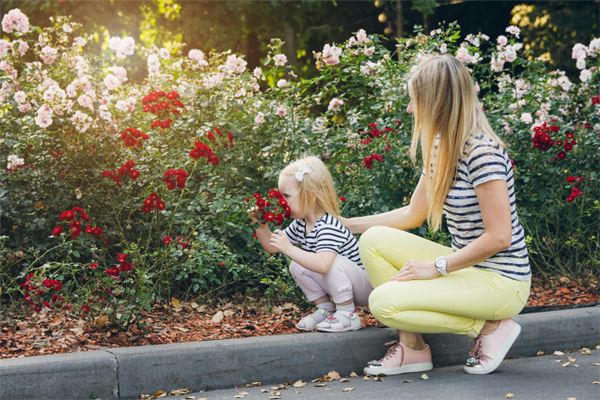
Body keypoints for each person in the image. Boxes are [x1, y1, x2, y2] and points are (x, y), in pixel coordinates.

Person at [342, 55, 531, 375]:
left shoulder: (482, 153)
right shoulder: (441, 147)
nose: (409, 110)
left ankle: (488, 327)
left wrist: (437, 267)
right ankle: (412, 348)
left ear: (437, 103)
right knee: (373, 240)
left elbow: (500, 236)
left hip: (503, 282)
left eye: (415, 101)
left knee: (383, 302)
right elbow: (415, 213)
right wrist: (346, 224)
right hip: (470, 270)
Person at [251, 156, 372, 332]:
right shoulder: (302, 223)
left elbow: (323, 265)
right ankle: (326, 309)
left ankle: (348, 315)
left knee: (330, 262)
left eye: (286, 196)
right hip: (344, 285)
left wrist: (289, 248)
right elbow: (271, 247)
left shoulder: (328, 225)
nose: (282, 202)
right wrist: (259, 224)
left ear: (311, 195)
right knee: (297, 266)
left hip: (364, 287)